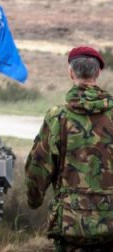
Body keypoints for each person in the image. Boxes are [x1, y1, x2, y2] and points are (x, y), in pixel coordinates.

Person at [25, 46, 113, 252]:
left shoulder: (58, 117)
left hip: (71, 224)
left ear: (71, 72)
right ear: (98, 72)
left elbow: (38, 167)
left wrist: (34, 200)